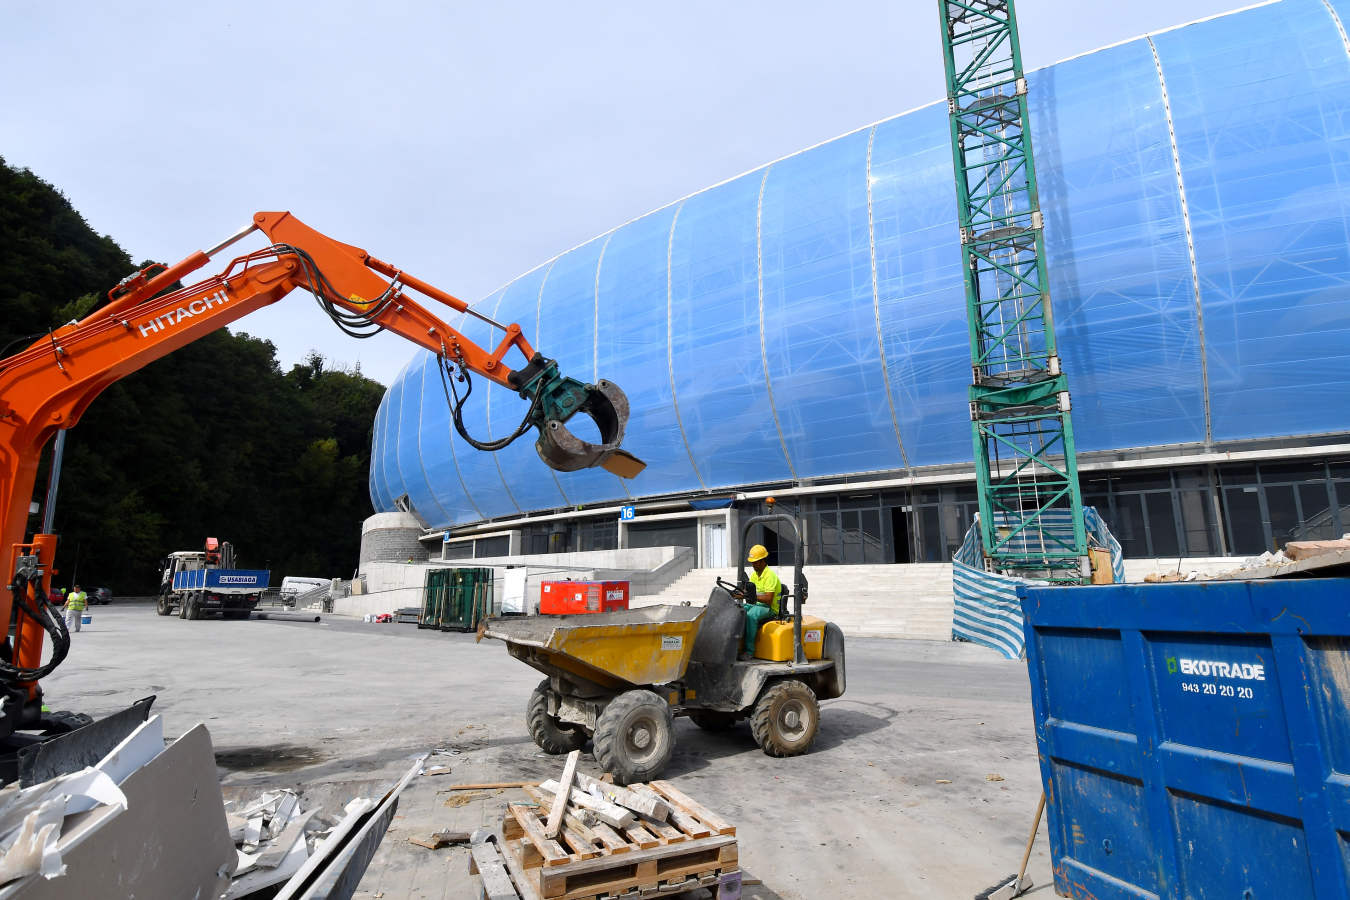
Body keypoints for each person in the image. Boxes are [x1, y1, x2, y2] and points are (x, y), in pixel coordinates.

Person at [739, 544, 782, 657]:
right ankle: (736, 645)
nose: (753, 565)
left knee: (751, 615)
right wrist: (738, 595)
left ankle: (749, 651)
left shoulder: (770, 576)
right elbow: (748, 592)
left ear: (763, 561)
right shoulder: (754, 575)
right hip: (756, 605)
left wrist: (751, 596)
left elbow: (768, 599)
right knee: (738, 610)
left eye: (755, 562)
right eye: (752, 562)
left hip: (770, 608)